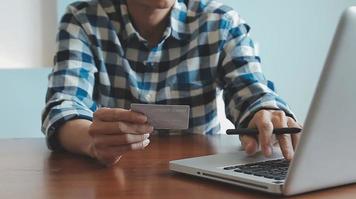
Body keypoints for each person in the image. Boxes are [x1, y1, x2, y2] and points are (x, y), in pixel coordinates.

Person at [42, 0, 302, 166]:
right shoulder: (84, 18)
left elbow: (250, 90)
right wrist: (93, 142)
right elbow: (64, 105)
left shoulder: (220, 20)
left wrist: (264, 113)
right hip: (115, 173)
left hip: (200, 174)